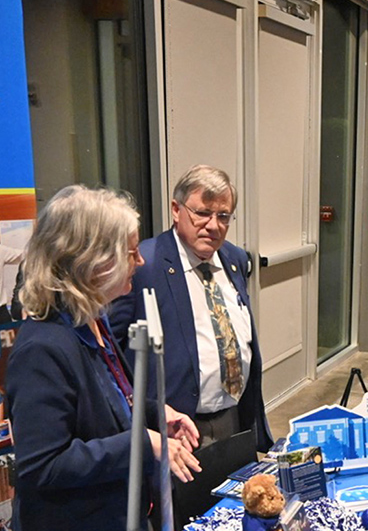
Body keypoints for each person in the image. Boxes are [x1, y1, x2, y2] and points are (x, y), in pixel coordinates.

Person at [7, 185, 201, 531]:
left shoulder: (92, 320)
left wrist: (156, 414)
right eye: (130, 252)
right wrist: (141, 443)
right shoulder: (42, 348)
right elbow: (43, 465)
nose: (142, 260)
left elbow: (111, 401)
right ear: (91, 261)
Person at [110, 165, 271, 451]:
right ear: (176, 209)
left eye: (223, 216)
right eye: (202, 213)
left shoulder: (234, 258)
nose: (213, 225)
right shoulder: (144, 265)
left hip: (235, 419)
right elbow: (111, 355)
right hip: (176, 431)